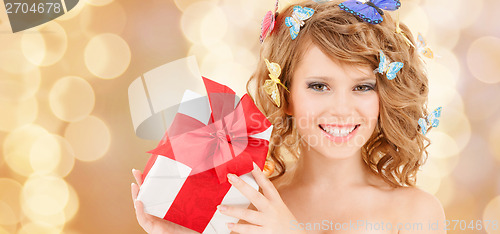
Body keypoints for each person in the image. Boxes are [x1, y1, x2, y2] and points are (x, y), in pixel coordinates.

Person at [131, 0, 446, 233]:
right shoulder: (248, 204)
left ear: (384, 98)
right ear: (286, 95)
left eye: (362, 87)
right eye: (319, 86)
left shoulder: (414, 212)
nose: (340, 108)